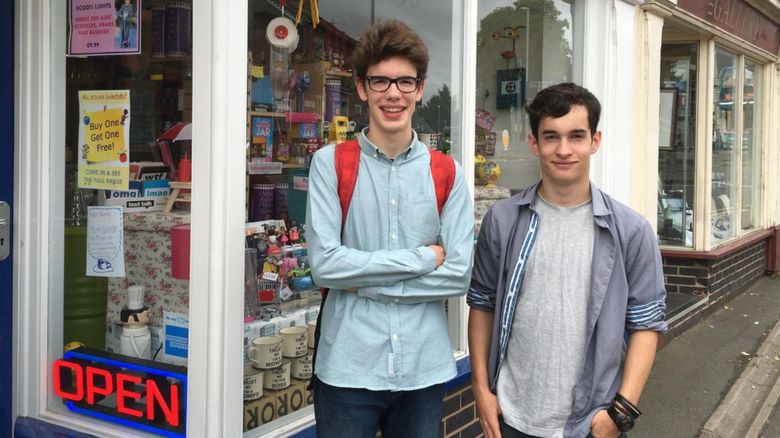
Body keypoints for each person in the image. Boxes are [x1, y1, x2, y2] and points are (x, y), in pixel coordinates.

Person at [468, 82, 667, 438]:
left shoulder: (631, 231)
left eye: (576, 136)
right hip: (511, 418)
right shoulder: (502, 220)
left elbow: (647, 325)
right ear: (534, 143)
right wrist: (481, 391)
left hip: (590, 422)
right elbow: (482, 305)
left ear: (595, 141)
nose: (564, 150)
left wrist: (619, 414)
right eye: (551, 137)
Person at [306, 20, 474, 438]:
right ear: (362, 88)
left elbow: (458, 274)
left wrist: (363, 282)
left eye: (404, 81)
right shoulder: (331, 164)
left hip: (423, 369)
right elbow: (326, 267)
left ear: (420, 88)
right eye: (380, 81)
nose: (393, 93)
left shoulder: (447, 172)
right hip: (347, 369)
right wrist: (421, 258)